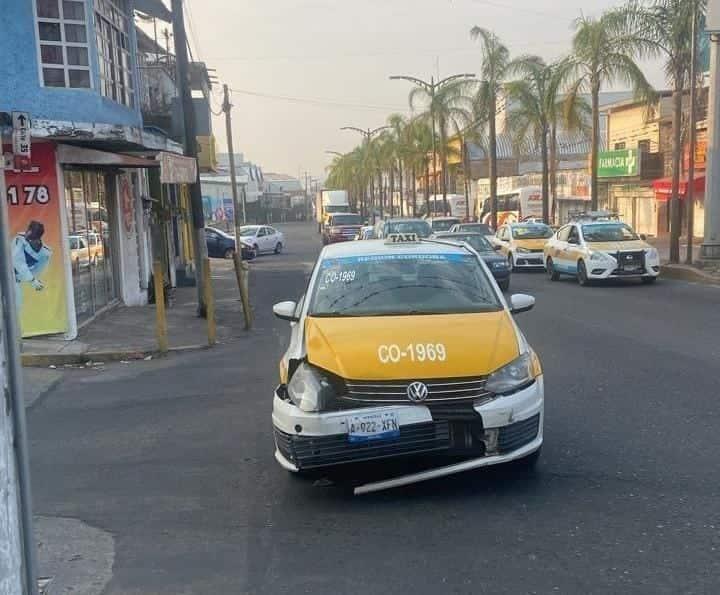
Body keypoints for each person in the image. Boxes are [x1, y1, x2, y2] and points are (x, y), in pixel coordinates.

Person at [12, 220, 52, 317]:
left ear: (38, 238)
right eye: (28, 231)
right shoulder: (19, 239)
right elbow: (17, 261)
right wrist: (32, 280)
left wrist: (31, 280)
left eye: (31, 237)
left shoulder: (45, 253)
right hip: (5, 274)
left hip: (15, 279)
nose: (27, 235)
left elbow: (38, 270)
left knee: (17, 305)